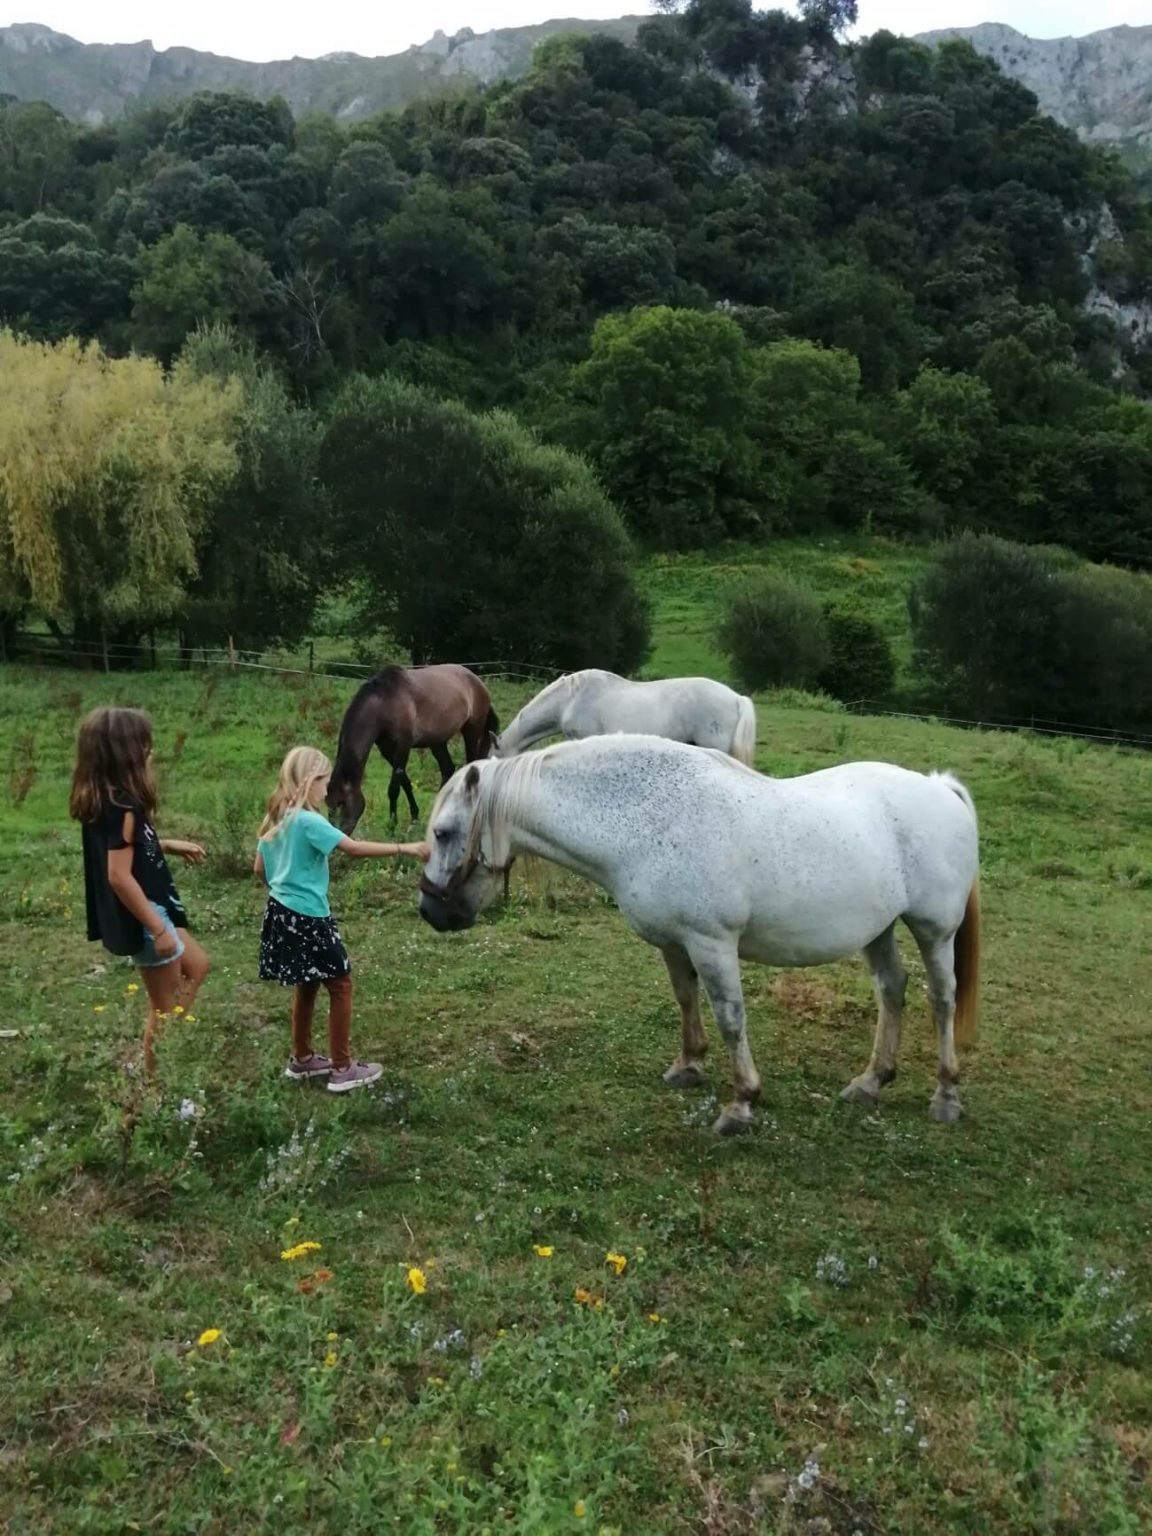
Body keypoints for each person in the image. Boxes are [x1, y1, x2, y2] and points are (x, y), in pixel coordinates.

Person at [256, 746, 427, 1092]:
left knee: (308, 983)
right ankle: (342, 1069)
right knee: (341, 983)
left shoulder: (278, 818)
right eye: (324, 781)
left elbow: (259, 868)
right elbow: (353, 848)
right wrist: (405, 848)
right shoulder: (309, 821)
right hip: (309, 915)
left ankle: (302, 1059)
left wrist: (284, 887)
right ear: (310, 781)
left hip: (281, 911)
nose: (327, 790)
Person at [71, 707, 210, 1075]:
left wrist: (167, 845)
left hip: (152, 909)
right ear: (126, 753)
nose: (151, 751)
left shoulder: (109, 801)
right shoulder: (122, 808)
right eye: (145, 744)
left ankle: (155, 1053)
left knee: (196, 965)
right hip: (148, 916)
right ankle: (155, 1087)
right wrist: (158, 929)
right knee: (164, 1010)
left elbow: (123, 852)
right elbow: (118, 876)